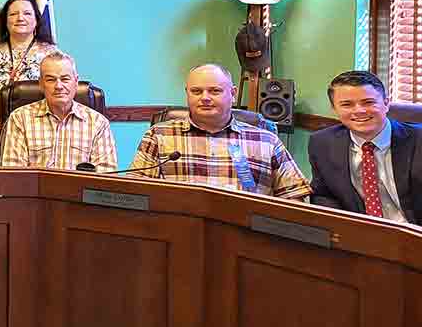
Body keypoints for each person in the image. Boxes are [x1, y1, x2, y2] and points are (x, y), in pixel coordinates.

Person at [127, 64, 312, 200]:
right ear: (187, 93)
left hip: (247, 238)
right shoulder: (158, 136)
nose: (205, 98)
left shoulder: (266, 141)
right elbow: (136, 194)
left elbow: (294, 197)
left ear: (232, 93)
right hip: (179, 234)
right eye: (196, 91)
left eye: (214, 91)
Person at [309, 71, 422, 224]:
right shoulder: (321, 143)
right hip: (359, 236)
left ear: (386, 103)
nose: (359, 111)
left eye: (368, 102)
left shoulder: (418, 140)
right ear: (334, 109)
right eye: (347, 104)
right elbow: (323, 195)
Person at [0, 0, 58, 165]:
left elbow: (60, 94)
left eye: (27, 13)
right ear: (5, 21)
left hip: (36, 138)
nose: (20, 18)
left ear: (36, 20)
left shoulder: (51, 54)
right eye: (13, 14)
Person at [0, 52, 117, 171]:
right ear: (41, 84)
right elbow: (13, 174)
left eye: (65, 79)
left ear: (76, 82)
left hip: (79, 189)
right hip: (34, 189)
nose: (59, 86)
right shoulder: (20, 118)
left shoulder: (98, 123)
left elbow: (106, 178)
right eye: (51, 80)